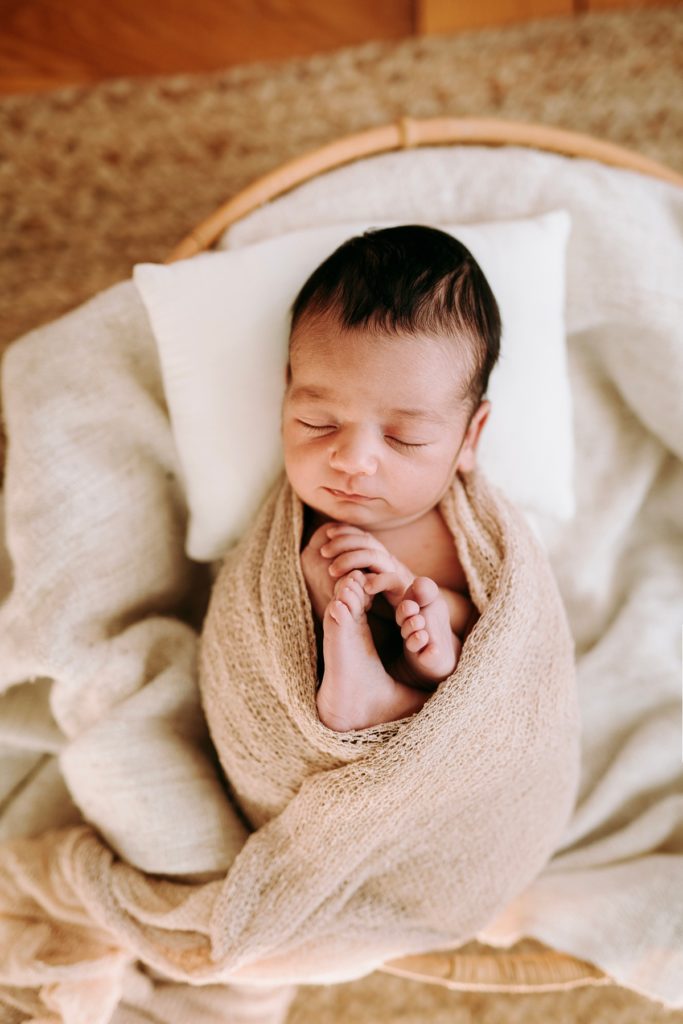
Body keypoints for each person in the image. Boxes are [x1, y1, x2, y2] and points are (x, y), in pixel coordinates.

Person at [280, 224, 501, 733]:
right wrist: (315, 599)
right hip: (319, 715)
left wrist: (417, 600)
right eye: (318, 423)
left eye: (405, 437)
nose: (353, 459)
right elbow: (255, 633)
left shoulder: (461, 534)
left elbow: (499, 628)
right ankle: (372, 680)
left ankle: (401, 684)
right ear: (285, 398)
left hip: (446, 735)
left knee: (443, 653)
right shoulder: (288, 527)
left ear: (470, 437)